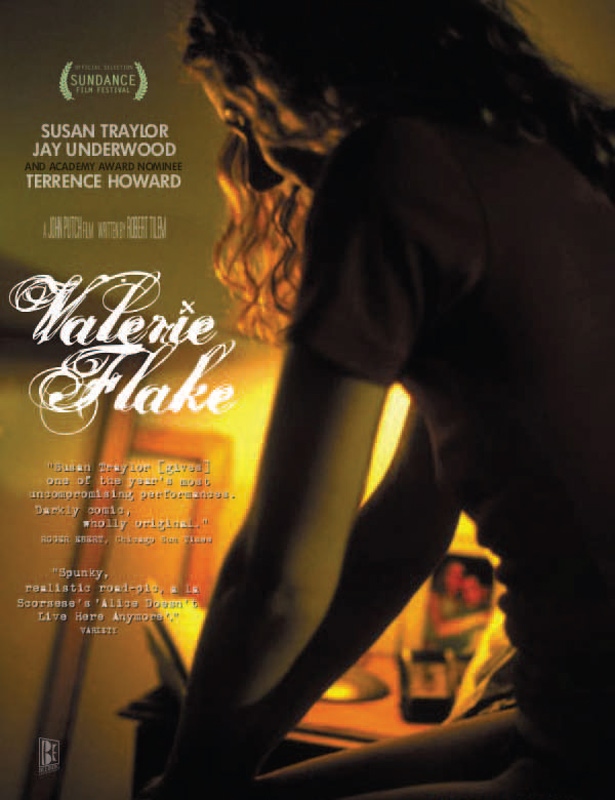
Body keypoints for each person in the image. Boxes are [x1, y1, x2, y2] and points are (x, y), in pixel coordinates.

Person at [140, 1, 615, 797]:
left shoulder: (399, 164)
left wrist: (189, 779)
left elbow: (278, 583)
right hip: (568, 718)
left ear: (303, 73)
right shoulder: (569, 152)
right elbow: (400, 530)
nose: (255, 168)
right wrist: (219, 766)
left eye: (247, 115)